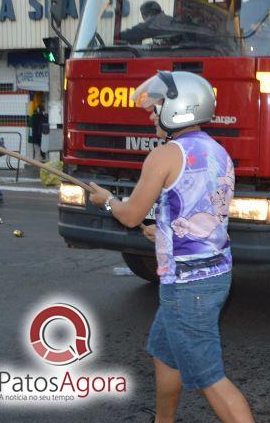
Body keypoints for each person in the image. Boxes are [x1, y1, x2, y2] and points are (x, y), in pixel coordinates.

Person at [87, 72, 254, 423]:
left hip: (187, 285)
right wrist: (161, 234)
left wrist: (106, 201)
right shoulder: (218, 151)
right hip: (213, 273)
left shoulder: (163, 156)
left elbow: (131, 215)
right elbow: (199, 211)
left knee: (211, 378)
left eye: (156, 107)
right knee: (164, 354)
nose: (151, 115)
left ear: (179, 108)